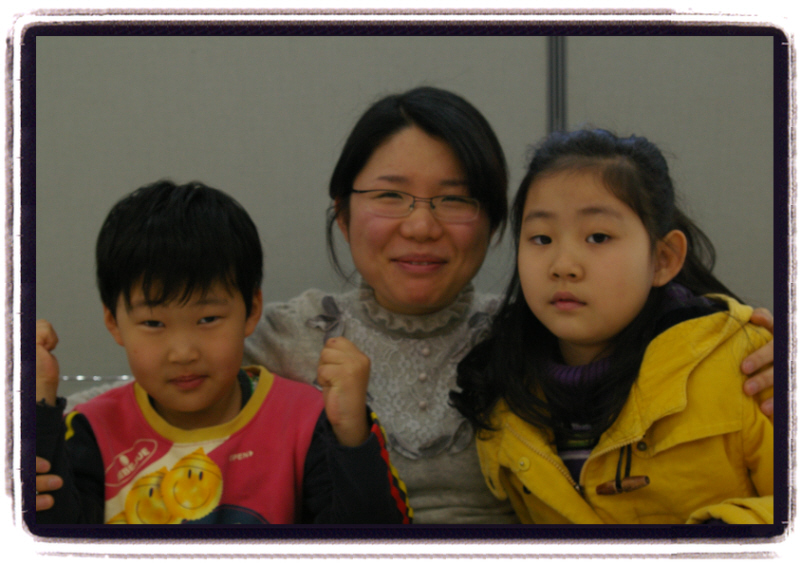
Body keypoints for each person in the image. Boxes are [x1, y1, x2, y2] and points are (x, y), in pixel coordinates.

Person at [35, 87, 776, 524]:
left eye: (453, 200)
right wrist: (27, 410)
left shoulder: (541, 333)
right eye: (390, 196)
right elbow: (145, 390)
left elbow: (667, 346)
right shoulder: (272, 336)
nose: (420, 226)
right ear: (342, 211)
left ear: (496, 224)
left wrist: (761, 352)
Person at [35, 180, 411, 525]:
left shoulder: (307, 421)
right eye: (153, 323)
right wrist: (35, 407)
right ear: (113, 322)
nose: (183, 352)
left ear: (252, 309)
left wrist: (351, 437)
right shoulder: (90, 431)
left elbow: (375, 547)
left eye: (208, 319)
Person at [451, 129, 773, 524]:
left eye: (598, 237)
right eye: (541, 238)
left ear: (663, 259)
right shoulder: (504, 394)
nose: (563, 265)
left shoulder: (749, 364)